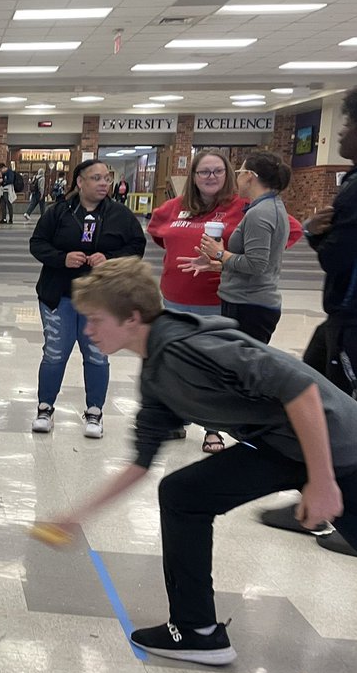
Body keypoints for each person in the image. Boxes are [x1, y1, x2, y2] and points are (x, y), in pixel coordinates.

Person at [47, 256, 357, 665]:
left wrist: (323, 481)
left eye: (95, 319)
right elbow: (140, 463)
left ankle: (195, 630)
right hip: (285, 443)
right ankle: (197, 631)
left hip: (331, 437)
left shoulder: (191, 349)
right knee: (184, 492)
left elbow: (300, 389)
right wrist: (76, 516)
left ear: (132, 318)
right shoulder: (157, 372)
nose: (88, 330)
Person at [262, 79, 357, 555]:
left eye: (347, 124)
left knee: (355, 412)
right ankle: (316, 495)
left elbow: (339, 257)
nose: (340, 134)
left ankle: (356, 515)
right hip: (347, 318)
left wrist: (312, 232)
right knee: (309, 390)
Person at [29, 158, 146, 438]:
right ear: (80, 182)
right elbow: (37, 244)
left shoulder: (120, 215)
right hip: (60, 295)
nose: (104, 183)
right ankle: (45, 408)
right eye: (96, 178)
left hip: (103, 299)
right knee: (55, 353)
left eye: (107, 178)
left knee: (96, 354)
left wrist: (109, 258)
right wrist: (62, 258)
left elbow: (136, 247)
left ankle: (94, 412)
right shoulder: (59, 213)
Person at [147, 150, 242, 454]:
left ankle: (213, 428)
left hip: (216, 300)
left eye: (217, 171)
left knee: (212, 365)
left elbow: (283, 234)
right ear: (193, 177)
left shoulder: (241, 208)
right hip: (174, 297)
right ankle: (178, 417)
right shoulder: (175, 208)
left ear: (227, 174)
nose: (211, 177)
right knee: (178, 362)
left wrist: (228, 260)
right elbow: (158, 232)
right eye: (204, 172)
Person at [181, 151, 295, 344]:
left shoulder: (260, 214)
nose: (237, 178)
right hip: (248, 302)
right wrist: (218, 265)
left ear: (250, 176)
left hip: (248, 305)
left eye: (239, 172)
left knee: (239, 367)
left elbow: (257, 264)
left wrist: (219, 252)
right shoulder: (268, 207)